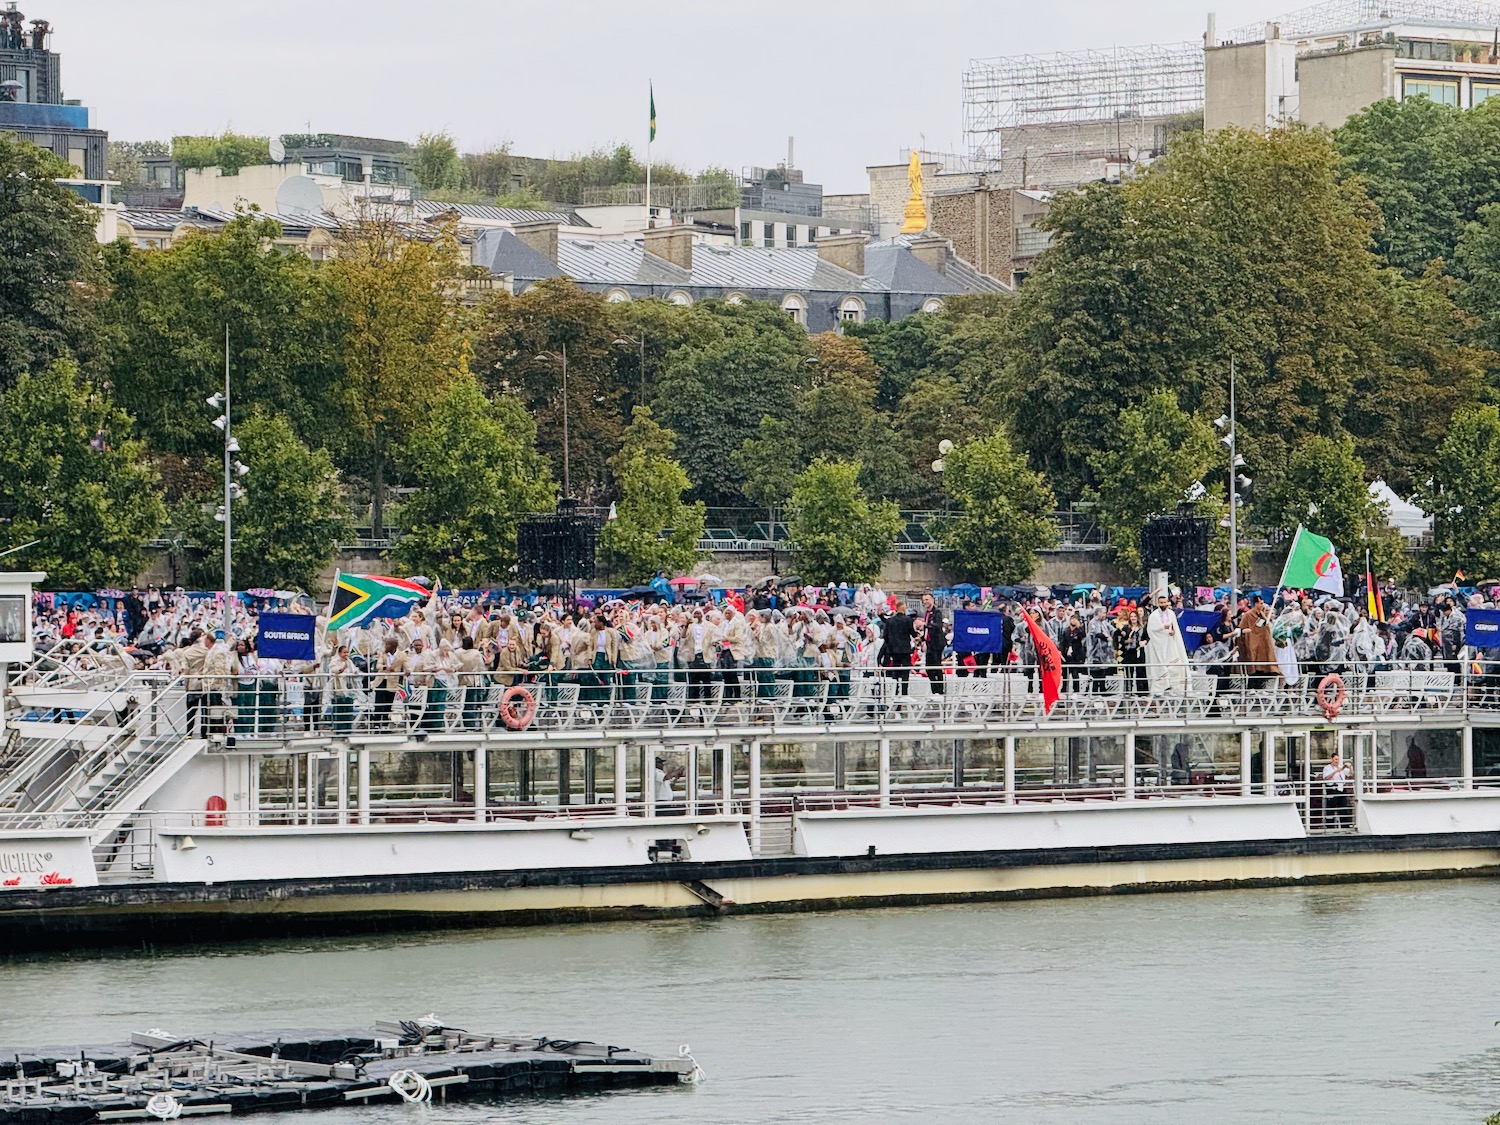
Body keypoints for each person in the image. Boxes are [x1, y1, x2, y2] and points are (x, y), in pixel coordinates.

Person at [1146, 592, 1190, 698]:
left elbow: (1174, 627)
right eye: (1161, 602)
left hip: (1170, 643)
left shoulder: (1171, 613)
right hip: (1158, 645)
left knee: (1174, 666)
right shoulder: (1153, 615)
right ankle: (1159, 690)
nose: (1163, 604)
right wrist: (1162, 628)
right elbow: (1151, 630)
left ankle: (1174, 688)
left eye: (1164, 602)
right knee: (1159, 667)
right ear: (1158, 603)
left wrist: (1172, 631)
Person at [880, 602, 916, 697]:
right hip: (905, 650)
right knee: (905, 672)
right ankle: (904, 693)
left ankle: (894, 692)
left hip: (894, 650)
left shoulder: (890, 621)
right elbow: (913, 633)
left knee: (895, 671)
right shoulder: (908, 620)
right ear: (904, 609)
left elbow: (885, 636)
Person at [920, 592, 946, 696]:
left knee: (937, 666)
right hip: (929, 643)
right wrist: (922, 638)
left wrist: (926, 624)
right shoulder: (927, 613)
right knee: (929, 668)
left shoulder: (937, 612)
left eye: (927, 599)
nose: (925, 602)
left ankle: (940, 690)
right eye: (924, 600)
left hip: (937, 643)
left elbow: (938, 625)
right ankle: (934, 689)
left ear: (932, 600)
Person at [1322, 747, 1352, 829]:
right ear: (1332, 759)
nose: (1337, 761)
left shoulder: (1341, 768)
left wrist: (1350, 767)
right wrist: (1336, 771)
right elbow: (1326, 778)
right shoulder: (1327, 768)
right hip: (1332, 789)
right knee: (1331, 808)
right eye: (1335, 759)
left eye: (1338, 759)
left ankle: (1344, 825)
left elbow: (1350, 774)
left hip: (1341, 789)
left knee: (1343, 807)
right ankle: (1330, 826)